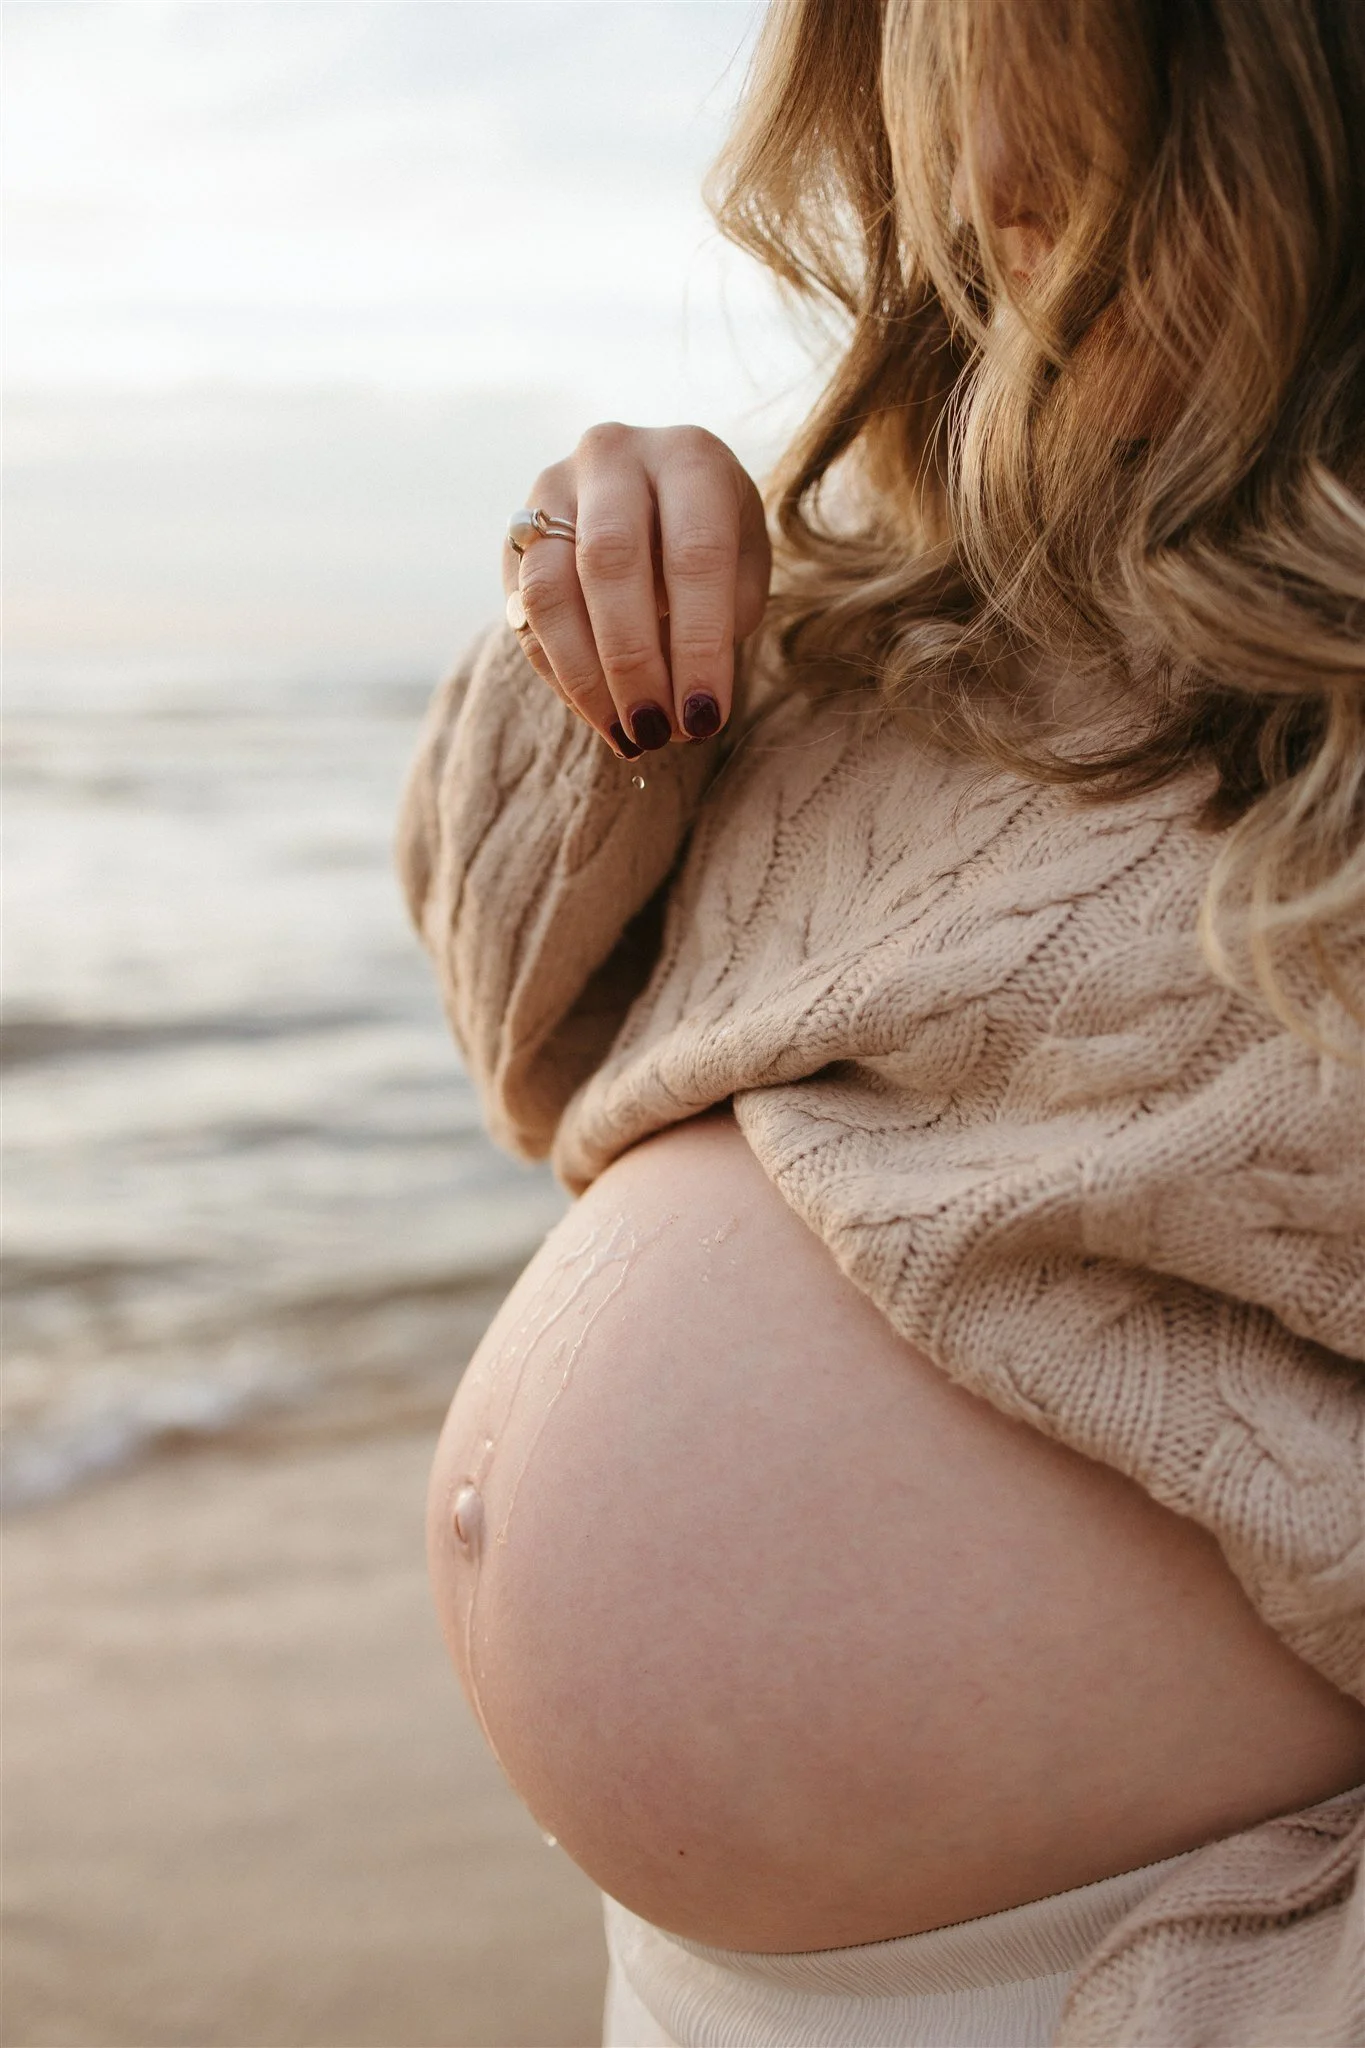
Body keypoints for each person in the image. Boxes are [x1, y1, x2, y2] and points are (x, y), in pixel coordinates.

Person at [399, 0, 1365, 2041]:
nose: (987, 209)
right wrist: (600, 597)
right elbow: (526, 1025)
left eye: (1071, 154)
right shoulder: (935, 605)